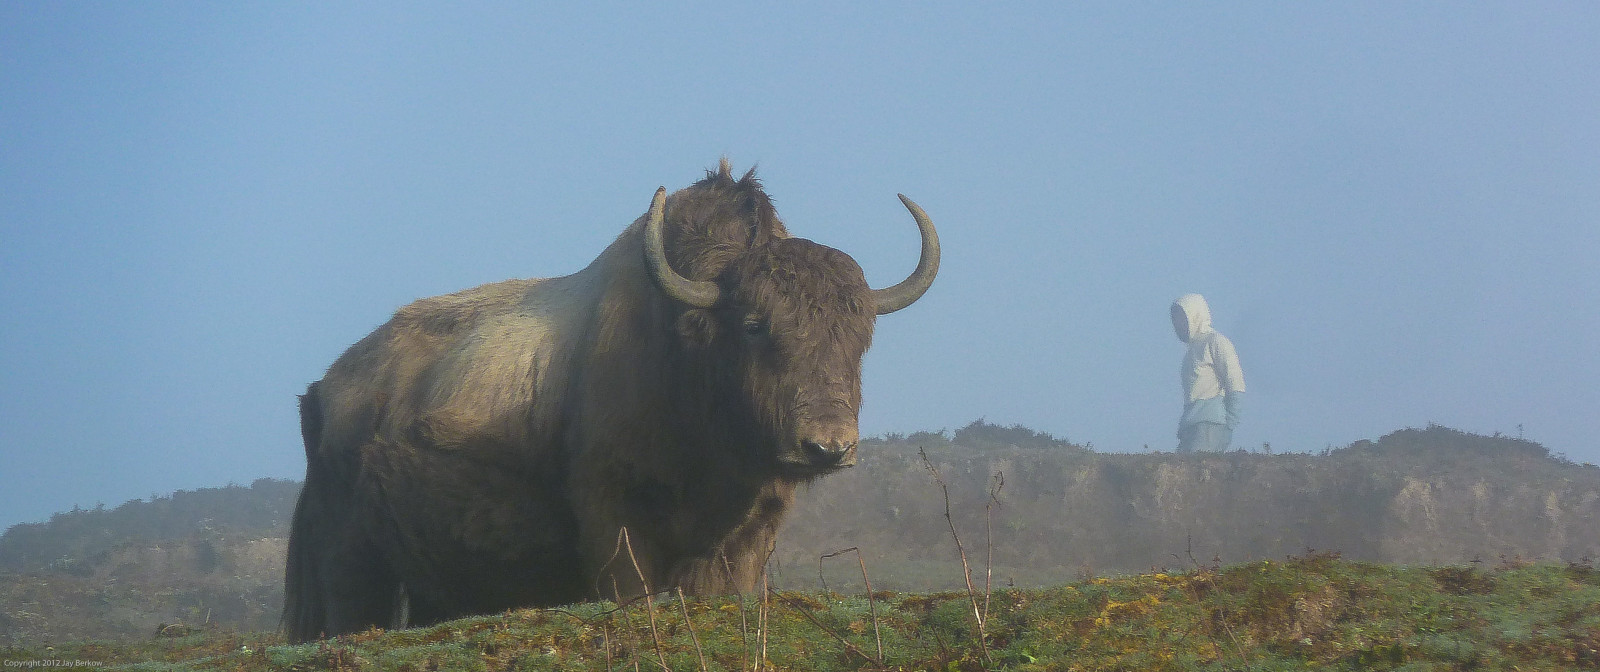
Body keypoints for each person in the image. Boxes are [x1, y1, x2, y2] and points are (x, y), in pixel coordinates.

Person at [1171, 293, 1245, 453]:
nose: (1177, 325)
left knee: (1194, 475)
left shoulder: (1216, 342)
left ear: (1194, 316)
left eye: (1181, 318)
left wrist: (1228, 425)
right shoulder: (1191, 351)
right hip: (1190, 427)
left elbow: (1235, 383)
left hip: (1209, 428)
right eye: (1174, 320)